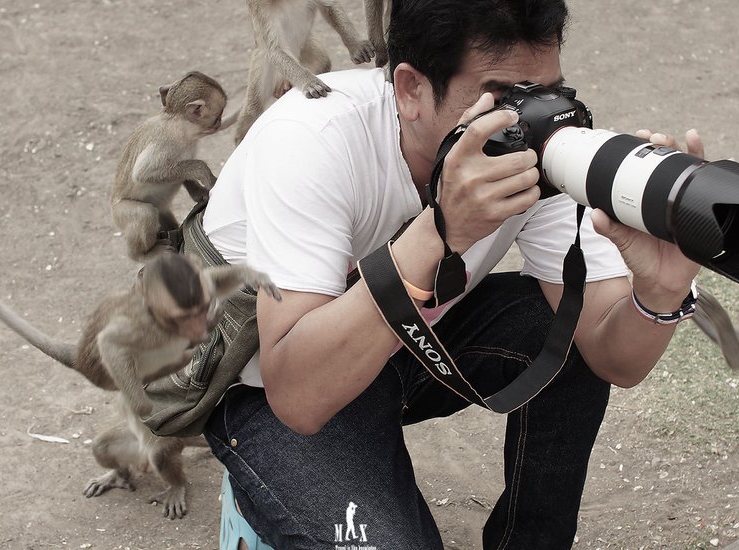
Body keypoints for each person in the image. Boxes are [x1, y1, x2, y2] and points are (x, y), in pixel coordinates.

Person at [200, 0, 702, 547]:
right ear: (412, 89)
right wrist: (440, 230)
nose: (532, 118)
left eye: (551, 90)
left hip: (405, 350)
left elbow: (614, 358)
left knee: (565, 324)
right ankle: (265, 491)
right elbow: (297, 396)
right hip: (268, 383)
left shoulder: (542, 144)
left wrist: (658, 293)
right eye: (505, 98)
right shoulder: (312, 137)